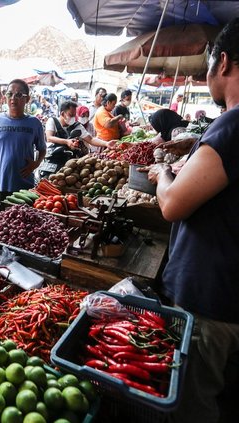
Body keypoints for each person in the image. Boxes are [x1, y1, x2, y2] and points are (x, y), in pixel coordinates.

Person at [143, 18, 239, 423]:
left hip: (211, 302)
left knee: (191, 407)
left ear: (224, 62)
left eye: (209, 63)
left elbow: (172, 205)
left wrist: (164, 172)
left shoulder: (233, 126)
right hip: (228, 297)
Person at [0, 79, 47, 206]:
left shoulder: (34, 123)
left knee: (23, 223)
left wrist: (35, 164)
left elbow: (42, 149)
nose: (13, 98)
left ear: (27, 99)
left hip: (25, 187)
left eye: (18, 95)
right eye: (9, 94)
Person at [45, 100, 115, 155]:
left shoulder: (77, 125)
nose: (73, 117)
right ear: (63, 114)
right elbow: (49, 138)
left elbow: (91, 140)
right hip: (53, 155)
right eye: (71, 115)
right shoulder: (52, 121)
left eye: (74, 115)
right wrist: (66, 142)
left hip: (69, 158)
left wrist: (106, 143)